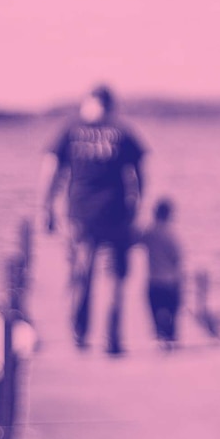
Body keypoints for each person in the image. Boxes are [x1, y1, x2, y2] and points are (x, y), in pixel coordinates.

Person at [41, 84, 145, 356]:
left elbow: (51, 170)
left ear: (87, 102)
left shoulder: (69, 129)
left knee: (82, 273)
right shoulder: (123, 131)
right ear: (111, 105)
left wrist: (46, 207)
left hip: (80, 214)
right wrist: (138, 206)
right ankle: (112, 340)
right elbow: (139, 173)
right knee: (115, 278)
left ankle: (79, 333)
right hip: (117, 213)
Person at [138, 198, 184, 351]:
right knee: (172, 311)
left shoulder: (149, 232)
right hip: (171, 281)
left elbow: (136, 240)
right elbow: (178, 258)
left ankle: (160, 334)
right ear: (169, 214)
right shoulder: (172, 235)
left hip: (154, 281)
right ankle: (170, 336)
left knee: (156, 309)